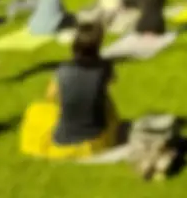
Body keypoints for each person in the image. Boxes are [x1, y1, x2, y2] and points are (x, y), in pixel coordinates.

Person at [19, 21, 122, 159]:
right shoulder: (105, 68)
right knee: (106, 101)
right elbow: (110, 83)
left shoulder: (63, 70)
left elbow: (49, 96)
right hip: (97, 137)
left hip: (64, 138)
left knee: (35, 110)